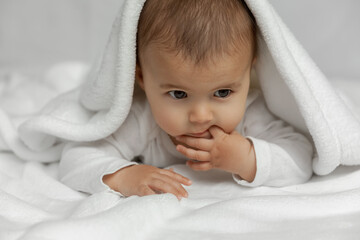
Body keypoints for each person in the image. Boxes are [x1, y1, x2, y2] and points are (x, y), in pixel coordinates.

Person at [59, 0, 313, 200]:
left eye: (222, 93)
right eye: (179, 94)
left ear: (249, 73)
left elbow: (301, 158)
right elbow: (76, 158)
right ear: (143, 79)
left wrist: (247, 157)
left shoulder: (250, 113)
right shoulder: (143, 119)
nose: (201, 115)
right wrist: (124, 176)